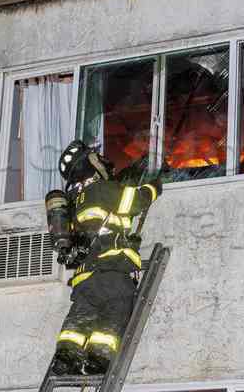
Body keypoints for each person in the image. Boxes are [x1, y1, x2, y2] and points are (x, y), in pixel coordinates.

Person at [46, 140, 162, 376]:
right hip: (111, 270)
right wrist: (154, 187)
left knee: (80, 318)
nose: (101, 159)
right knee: (114, 313)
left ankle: (66, 357)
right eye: (95, 157)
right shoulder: (101, 189)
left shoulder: (74, 201)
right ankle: (97, 358)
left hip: (84, 279)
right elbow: (136, 200)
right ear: (89, 164)